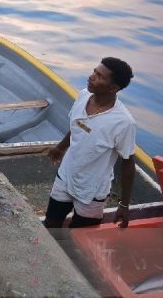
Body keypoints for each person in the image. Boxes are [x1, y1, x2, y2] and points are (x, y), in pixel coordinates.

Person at [44, 58, 137, 229]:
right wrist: (60, 147)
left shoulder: (123, 122)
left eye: (100, 76)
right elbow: (77, 126)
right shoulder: (83, 95)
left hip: (92, 190)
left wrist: (124, 204)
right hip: (65, 176)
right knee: (51, 222)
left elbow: (128, 164)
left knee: (81, 236)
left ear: (113, 87)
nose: (91, 77)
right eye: (94, 71)